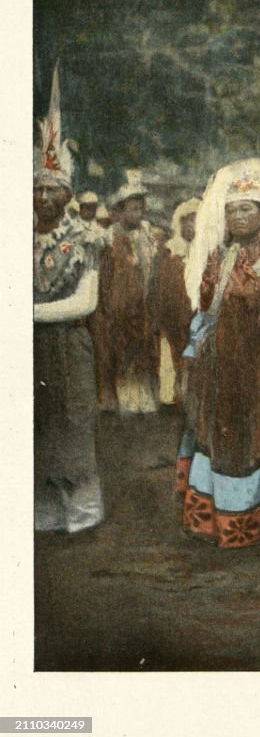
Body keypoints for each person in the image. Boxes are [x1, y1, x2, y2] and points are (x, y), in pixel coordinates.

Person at [178, 159, 260, 548]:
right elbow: (206, 312)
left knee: (257, 434)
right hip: (221, 361)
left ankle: (255, 518)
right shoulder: (220, 255)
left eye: (247, 209)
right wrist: (194, 351)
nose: (239, 217)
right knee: (219, 433)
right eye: (232, 210)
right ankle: (223, 517)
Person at [33, 67, 105, 534]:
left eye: (52, 188)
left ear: (68, 194)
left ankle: (82, 511)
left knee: (72, 424)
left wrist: (27, 313)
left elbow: (86, 301)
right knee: (33, 423)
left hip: (68, 344)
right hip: (29, 347)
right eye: (37, 188)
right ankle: (43, 509)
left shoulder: (87, 238)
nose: (43, 196)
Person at [95, 170, 160, 413]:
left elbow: (151, 265)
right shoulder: (112, 236)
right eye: (132, 209)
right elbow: (108, 273)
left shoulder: (146, 233)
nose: (137, 214)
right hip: (120, 302)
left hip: (143, 299)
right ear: (121, 211)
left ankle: (142, 397)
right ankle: (121, 397)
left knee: (143, 348)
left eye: (140, 209)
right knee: (120, 348)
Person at [151, 197, 200, 407]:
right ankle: (174, 398)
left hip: (197, 316)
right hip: (172, 316)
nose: (191, 226)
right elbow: (157, 287)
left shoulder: (206, 251)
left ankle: (191, 397)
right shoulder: (168, 252)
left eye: (195, 220)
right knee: (172, 356)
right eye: (186, 221)